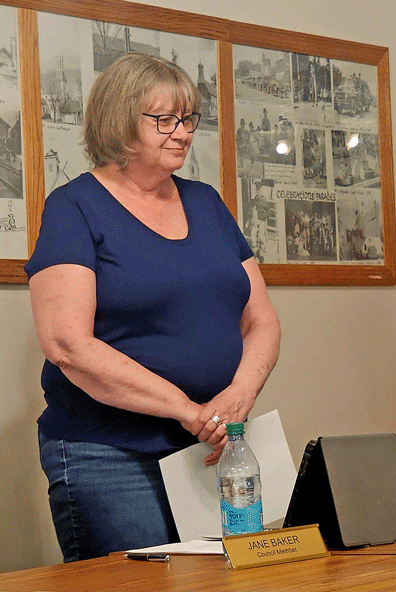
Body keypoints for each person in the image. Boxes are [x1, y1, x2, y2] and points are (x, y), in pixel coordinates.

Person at [25, 52, 281, 562]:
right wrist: (188, 411)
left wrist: (238, 396)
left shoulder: (207, 201)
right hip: (110, 455)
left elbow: (262, 319)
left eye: (189, 119)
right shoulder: (73, 207)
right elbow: (68, 345)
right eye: (165, 119)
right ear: (119, 120)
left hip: (210, 447)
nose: (182, 132)